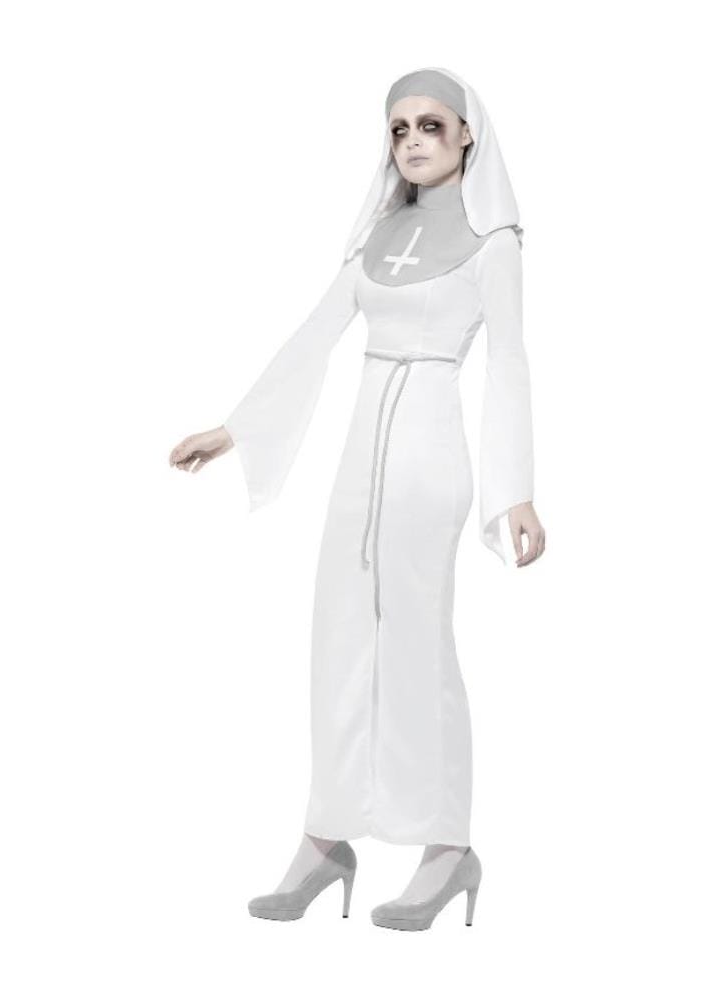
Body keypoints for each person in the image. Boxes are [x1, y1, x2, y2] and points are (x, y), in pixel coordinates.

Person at [169, 66, 545, 931]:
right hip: (359, 458)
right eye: (398, 128)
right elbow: (317, 331)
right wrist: (234, 428)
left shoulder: (494, 241)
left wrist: (516, 491)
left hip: (428, 454)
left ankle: (446, 848)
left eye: (431, 125)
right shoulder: (380, 230)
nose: (412, 141)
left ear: (468, 136)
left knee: (417, 643)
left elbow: (510, 362)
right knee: (337, 635)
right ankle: (325, 836)